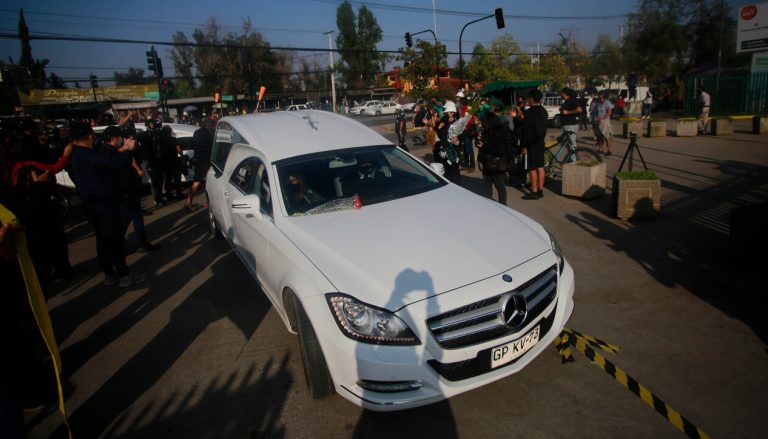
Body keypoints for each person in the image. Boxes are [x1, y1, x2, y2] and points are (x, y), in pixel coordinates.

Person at [68, 121, 146, 287]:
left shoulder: (76, 155)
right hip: (103, 204)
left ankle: (109, 274)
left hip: (91, 203)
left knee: (103, 241)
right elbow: (114, 164)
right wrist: (128, 151)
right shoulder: (87, 155)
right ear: (90, 135)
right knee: (114, 241)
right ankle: (124, 276)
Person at [102, 126, 160, 253]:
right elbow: (118, 162)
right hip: (124, 190)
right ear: (113, 139)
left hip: (124, 190)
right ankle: (141, 244)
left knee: (126, 219)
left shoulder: (111, 150)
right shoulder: (108, 152)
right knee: (136, 217)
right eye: (119, 137)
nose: (121, 140)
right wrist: (127, 150)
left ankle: (120, 244)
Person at [476, 111, 512, 205]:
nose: (482, 123)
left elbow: (499, 150)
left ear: (489, 122)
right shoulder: (487, 131)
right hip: (487, 162)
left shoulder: (499, 133)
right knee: (487, 185)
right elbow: (483, 144)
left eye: (483, 121)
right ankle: (490, 204)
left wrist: (483, 146)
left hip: (496, 164)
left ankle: (503, 205)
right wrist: (478, 142)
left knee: (499, 186)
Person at [521, 89, 548, 200]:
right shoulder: (543, 111)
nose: (528, 100)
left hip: (531, 143)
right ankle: (540, 189)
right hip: (540, 142)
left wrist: (524, 146)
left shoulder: (529, 113)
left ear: (532, 98)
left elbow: (526, 131)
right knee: (540, 166)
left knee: (532, 167)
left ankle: (534, 191)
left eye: (529, 98)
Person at [186, 118, 215, 210]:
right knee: (213, 182)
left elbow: (193, 144)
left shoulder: (196, 132)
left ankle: (189, 202)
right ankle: (210, 202)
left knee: (196, 182)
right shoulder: (211, 133)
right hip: (208, 160)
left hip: (198, 160)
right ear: (209, 125)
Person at [434, 101, 461, 184]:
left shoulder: (456, 123)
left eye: (447, 112)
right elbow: (440, 134)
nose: (445, 114)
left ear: (452, 113)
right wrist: (439, 127)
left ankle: (456, 185)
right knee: (447, 168)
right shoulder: (444, 122)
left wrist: (457, 138)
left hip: (453, 149)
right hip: (445, 148)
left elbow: (457, 135)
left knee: (454, 169)